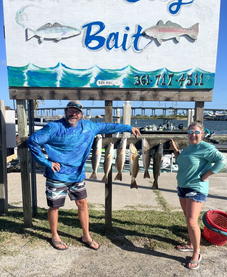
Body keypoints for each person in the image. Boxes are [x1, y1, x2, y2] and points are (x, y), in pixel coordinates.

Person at [26, 100, 141, 251]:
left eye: (77, 112)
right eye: (71, 111)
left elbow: (109, 126)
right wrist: (47, 163)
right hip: (57, 175)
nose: (73, 114)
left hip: (77, 175)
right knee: (55, 206)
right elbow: (32, 141)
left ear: (81, 114)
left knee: (83, 204)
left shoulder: (89, 126)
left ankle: (86, 235)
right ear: (66, 111)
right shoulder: (54, 127)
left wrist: (129, 127)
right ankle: (55, 236)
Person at [169, 121, 227, 270]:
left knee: (192, 221)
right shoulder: (189, 148)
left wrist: (206, 175)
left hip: (196, 188)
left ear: (202, 133)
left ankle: (196, 253)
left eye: (196, 132)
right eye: (190, 132)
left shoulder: (205, 147)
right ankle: (190, 244)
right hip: (183, 187)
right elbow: (183, 161)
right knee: (188, 220)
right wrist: (175, 150)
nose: (192, 135)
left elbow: (222, 160)